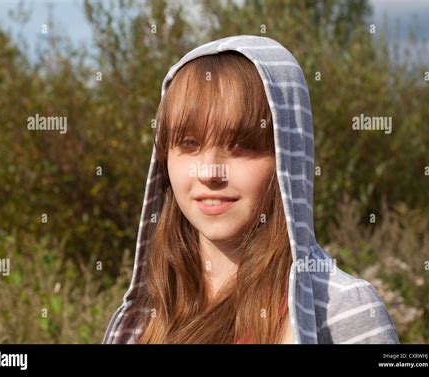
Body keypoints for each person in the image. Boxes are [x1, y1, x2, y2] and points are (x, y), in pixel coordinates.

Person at [103, 35, 400, 344]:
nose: (209, 172)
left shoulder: (340, 310)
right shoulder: (149, 312)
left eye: (241, 145)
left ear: (287, 156)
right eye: (189, 144)